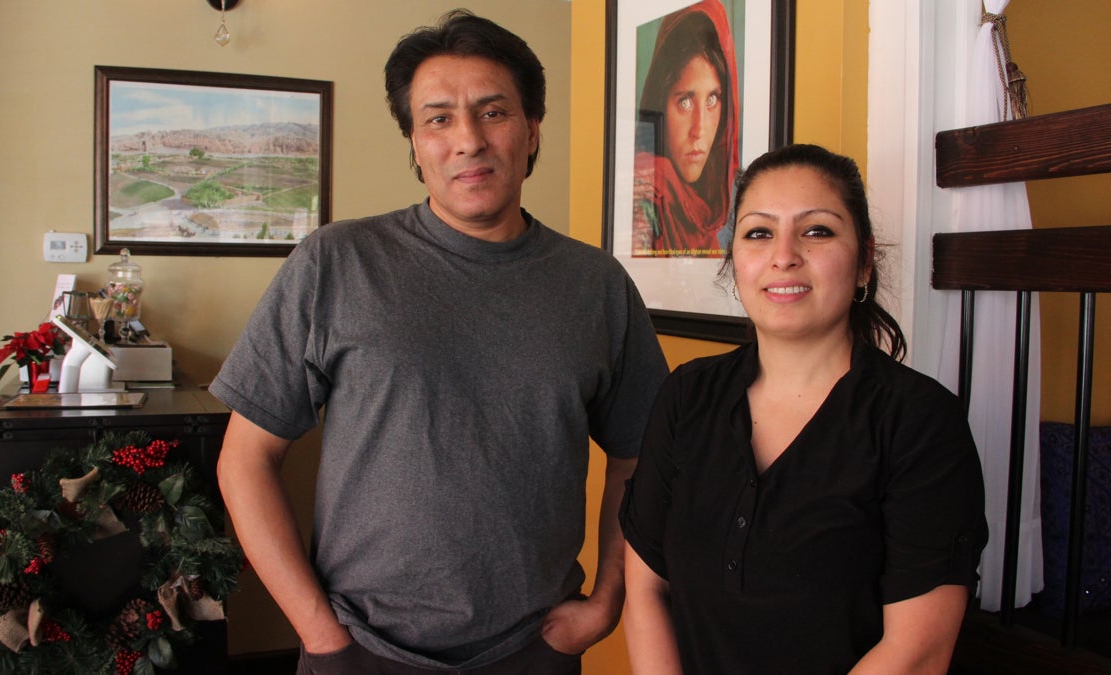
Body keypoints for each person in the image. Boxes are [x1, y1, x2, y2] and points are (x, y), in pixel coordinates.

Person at [210, 10, 669, 674]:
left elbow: (641, 459)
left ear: (532, 129)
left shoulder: (594, 284)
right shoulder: (337, 263)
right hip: (359, 649)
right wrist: (316, 629)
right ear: (414, 143)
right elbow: (243, 461)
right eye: (438, 118)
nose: (468, 141)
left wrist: (604, 603)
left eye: (493, 113)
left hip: (532, 649)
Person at [620, 144, 989, 673]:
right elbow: (646, 591)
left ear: (864, 262)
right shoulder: (687, 396)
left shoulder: (920, 421)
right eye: (759, 232)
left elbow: (918, 652)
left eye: (817, 231)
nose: (784, 254)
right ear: (735, 263)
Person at [631, 0, 739, 258]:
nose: (699, 130)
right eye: (685, 102)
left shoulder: (710, 214)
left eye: (712, 100)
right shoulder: (649, 191)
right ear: (659, 104)